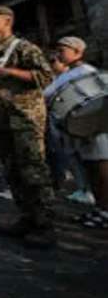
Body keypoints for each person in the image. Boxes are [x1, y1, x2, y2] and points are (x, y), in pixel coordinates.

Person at [0, 5, 56, 248]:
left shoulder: (25, 48)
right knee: (12, 170)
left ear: (7, 21)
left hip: (25, 116)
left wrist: (10, 71)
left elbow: (46, 77)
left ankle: (45, 225)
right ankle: (26, 217)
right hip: (1, 117)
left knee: (33, 169)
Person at [44, 36, 107, 228]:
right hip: (81, 128)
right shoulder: (66, 75)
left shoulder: (87, 71)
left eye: (62, 51)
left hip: (97, 127)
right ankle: (100, 208)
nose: (58, 55)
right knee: (91, 170)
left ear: (78, 52)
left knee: (102, 169)